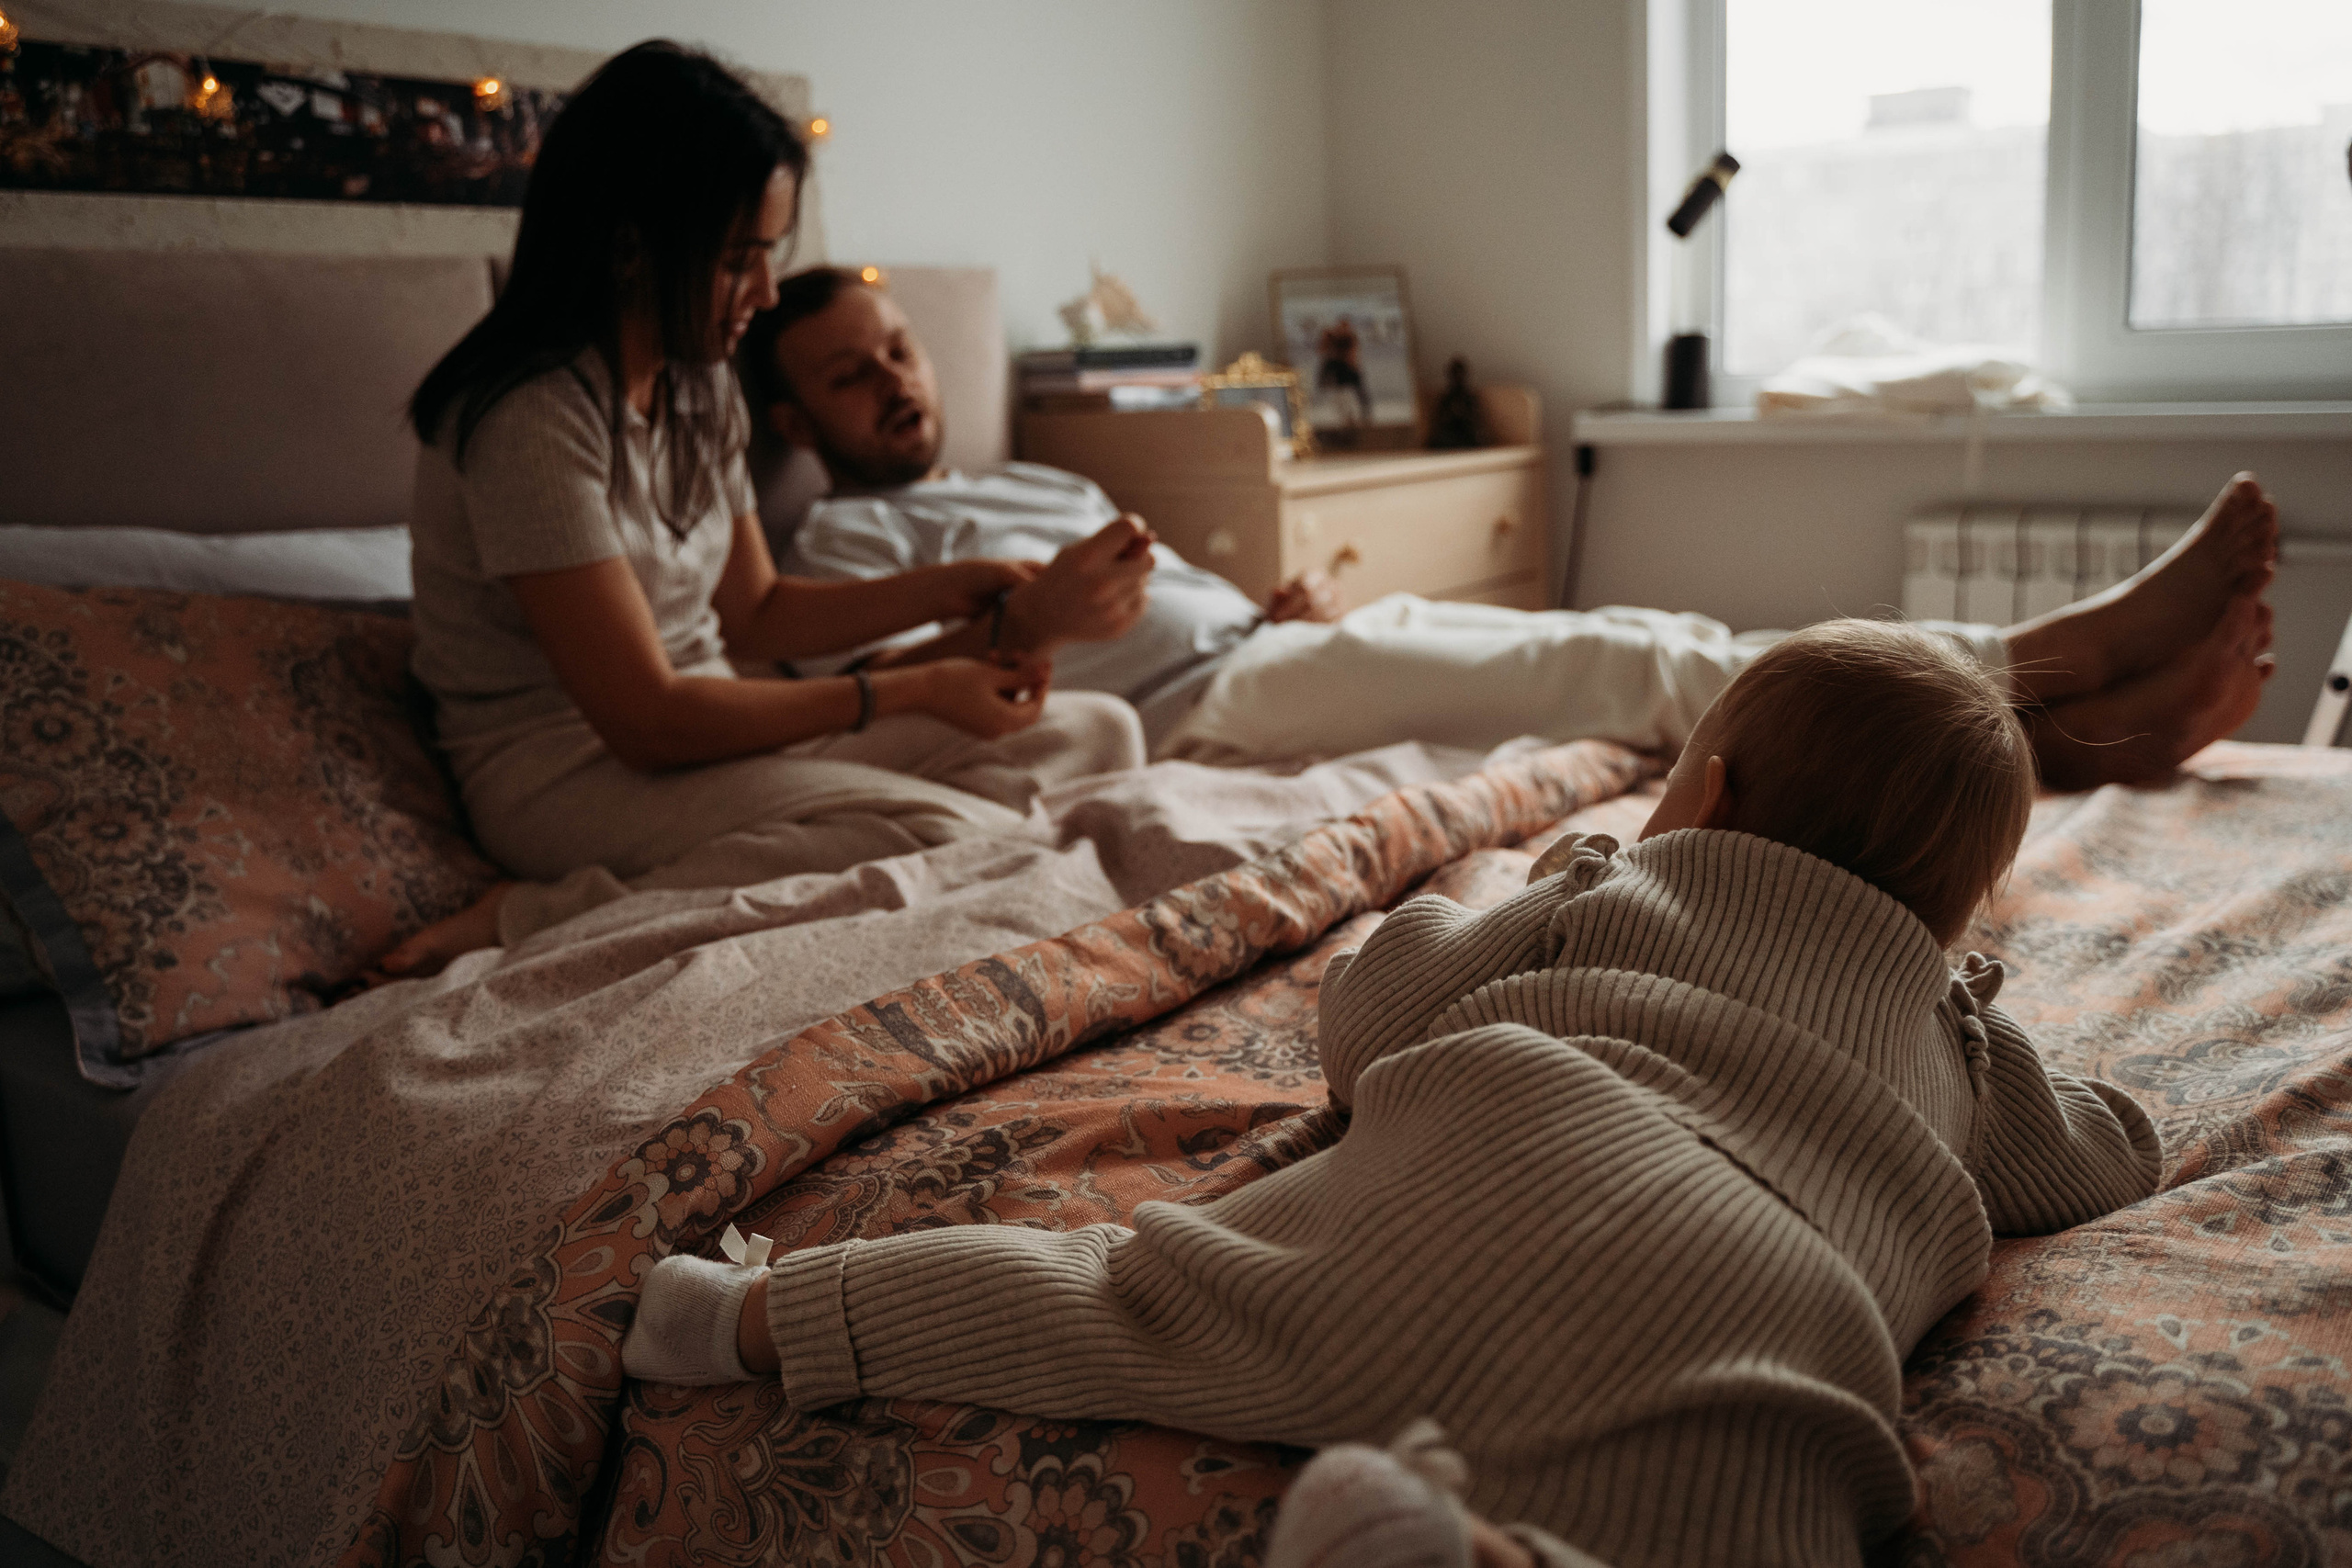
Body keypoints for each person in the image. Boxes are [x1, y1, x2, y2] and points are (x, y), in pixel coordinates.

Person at [619, 617, 2164, 1568]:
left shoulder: (1617, 882)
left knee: (1125, 1294)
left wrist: (1507, 892)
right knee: (1747, 1506)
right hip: (1777, 1291)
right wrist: (2022, 1050)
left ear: (1710, 794)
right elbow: (2092, 1157)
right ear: (1956, 911)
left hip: (1509, 1139)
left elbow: (1374, 1023)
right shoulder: (1949, 1031)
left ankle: (745, 1314)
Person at [752, 265, 2279, 784]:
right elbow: (921, 711)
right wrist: (1032, 624)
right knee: (1615, 668)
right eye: (847, 373)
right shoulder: (839, 554)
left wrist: (1253, 597)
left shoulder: (1028, 474)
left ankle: (2067, 735)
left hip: (1265, 643)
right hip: (1201, 713)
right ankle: (2035, 664)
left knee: (1640, 639)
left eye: (898, 350)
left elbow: (1141, 580)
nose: (890, 382)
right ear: (795, 418)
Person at [381, 47, 1147, 976]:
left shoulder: (698, 383)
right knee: (929, 828)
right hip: (567, 767)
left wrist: (950, 588)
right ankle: (549, 911)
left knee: (1101, 731)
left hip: (719, 721)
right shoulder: (528, 417)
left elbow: (756, 611)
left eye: (768, 256)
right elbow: (645, 720)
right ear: (633, 244)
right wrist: (908, 689)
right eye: (738, 260)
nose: (765, 294)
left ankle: (853, 854)